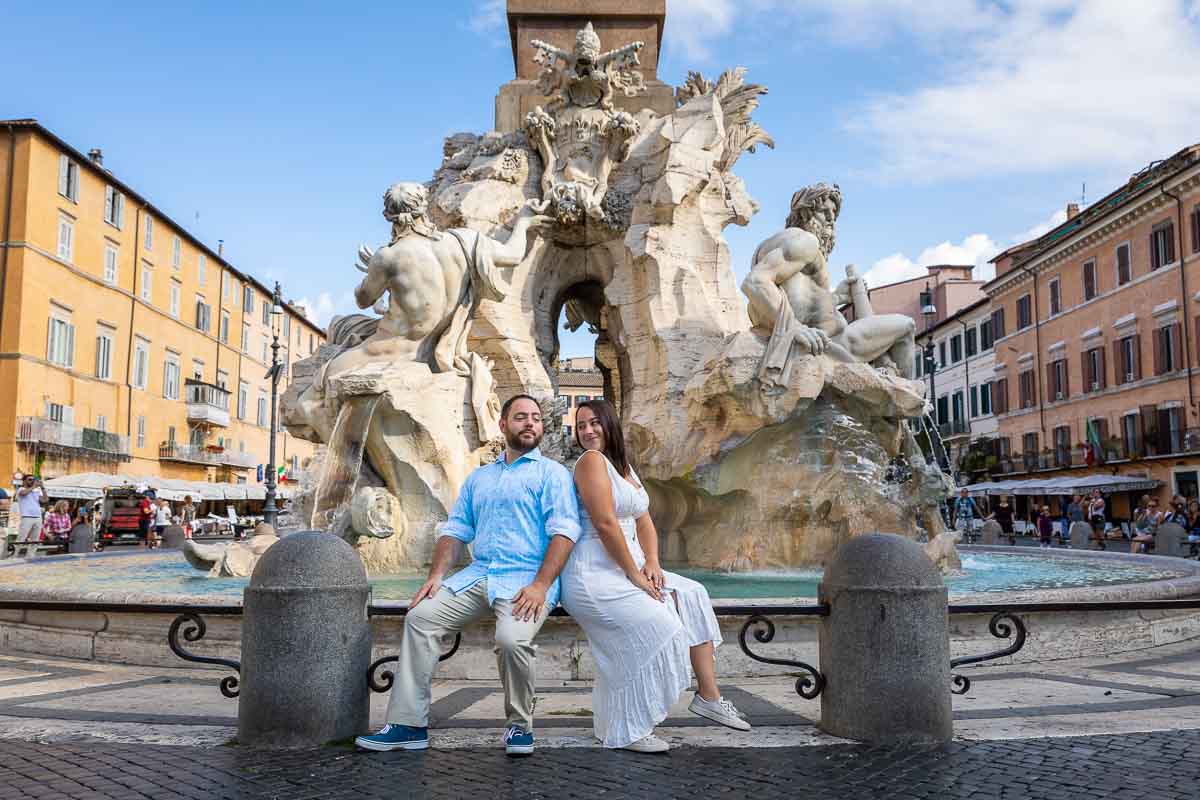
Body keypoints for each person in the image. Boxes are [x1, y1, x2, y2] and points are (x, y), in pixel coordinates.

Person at [356, 395, 581, 756]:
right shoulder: (480, 477)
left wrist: (541, 586)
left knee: (511, 640)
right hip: (480, 575)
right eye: (521, 417)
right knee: (421, 617)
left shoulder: (552, 474)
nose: (530, 424)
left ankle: (519, 727)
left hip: (527, 581)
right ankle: (409, 724)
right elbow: (456, 529)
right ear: (503, 425)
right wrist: (436, 575)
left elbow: (564, 532)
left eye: (536, 419)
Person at [562, 399, 750, 754]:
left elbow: (643, 519)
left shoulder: (623, 467)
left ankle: (709, 697)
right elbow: (604, 523)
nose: (587, 431)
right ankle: (629, 729)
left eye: (593, 423)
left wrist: (652, 562)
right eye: (581, 425)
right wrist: (633, 574)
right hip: (595, 572)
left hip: (628, 565)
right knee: (663, 630)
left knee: (692, 593)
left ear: (609, 424)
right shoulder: (590, 462)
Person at [15, 474, 46, 544]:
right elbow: (23, 493)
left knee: (35, 540)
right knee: (21, 538)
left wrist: (43, 488)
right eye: (30, 479)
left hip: (38, 517)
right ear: (24, 481)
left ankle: (31, 555)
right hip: (27, 517)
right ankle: (14, 555)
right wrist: (34, 486)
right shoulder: (20, 489)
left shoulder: (36, 491)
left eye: (33, 480)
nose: (32, 481)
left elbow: (45, 500)